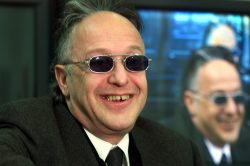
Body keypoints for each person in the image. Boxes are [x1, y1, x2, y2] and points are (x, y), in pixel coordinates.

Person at [0, 0, 204, 165]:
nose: (121, 79)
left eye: (133, 62)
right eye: (100, 63)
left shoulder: (180, 152)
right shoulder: (22, 135)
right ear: (64, 79)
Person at [170, 46, 250, 166]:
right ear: (191, 102)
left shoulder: (247, 142)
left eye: (238, 98)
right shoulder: (166, 151)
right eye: (219, 99)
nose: (231, 110)